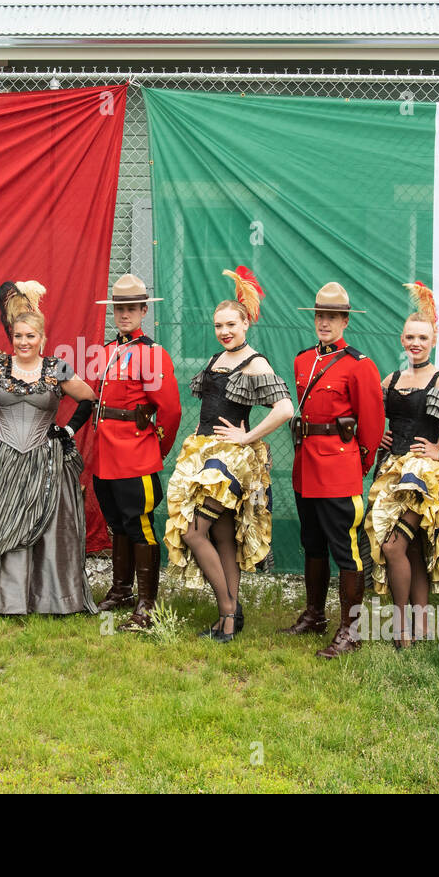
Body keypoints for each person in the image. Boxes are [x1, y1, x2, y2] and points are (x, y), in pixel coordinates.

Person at [163, 267, 293, 643]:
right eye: (219, 325)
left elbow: (284, 409)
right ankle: (229, 619)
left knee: (192, 531)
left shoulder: (255, 363)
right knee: (221, 535)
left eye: (231, 325)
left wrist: (247, 436)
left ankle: (228, 612)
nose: (225, 331)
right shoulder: (218, 358)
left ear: (246, 323)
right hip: (206, 453)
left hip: (229, 460)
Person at [0, 281, 99, 616]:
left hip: (45, 461)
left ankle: (50, 599)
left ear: (42, 339)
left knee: (46, 529)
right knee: (4, 523)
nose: (23, 342)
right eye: (18, 336)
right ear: (12, 337)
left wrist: (68, 429)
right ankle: (9, 599)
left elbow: (88, 398)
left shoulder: (57, 368)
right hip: (3, 459)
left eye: (30, 337)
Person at [367, 284, 439, 647]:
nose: (415, 343)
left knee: (393, 546)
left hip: (424, 476)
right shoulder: (392, 379)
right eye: (410, 337)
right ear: (402, 339)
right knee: (412, 548)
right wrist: (378, 438)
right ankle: (421, 627)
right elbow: (370, 415)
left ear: (433, 340)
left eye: (423, 337)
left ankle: (402, 629)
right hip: (392, 472)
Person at [286, 282, 384, 660]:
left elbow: (372, 425)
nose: (324, 323)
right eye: (319, 316)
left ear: (345, 320)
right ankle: (314, 615)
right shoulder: (302, 360)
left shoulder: (360, 366)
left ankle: (351, 629)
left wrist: (356, 465)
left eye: (332, 317)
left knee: (346, 552)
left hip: (338, 469)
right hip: (306, 465)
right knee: (312, 543)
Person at [88, 274, 182, 631]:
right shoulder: (108, 352)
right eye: (119, 308)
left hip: (135, 455)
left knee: (140, 527)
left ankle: (147, 604)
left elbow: (170, 411)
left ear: (144, 310)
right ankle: (122, 590)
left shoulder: (153, 354)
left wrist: (156, 450)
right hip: (106, 456)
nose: (124, 314)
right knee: (118, 524)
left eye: (131, 308)